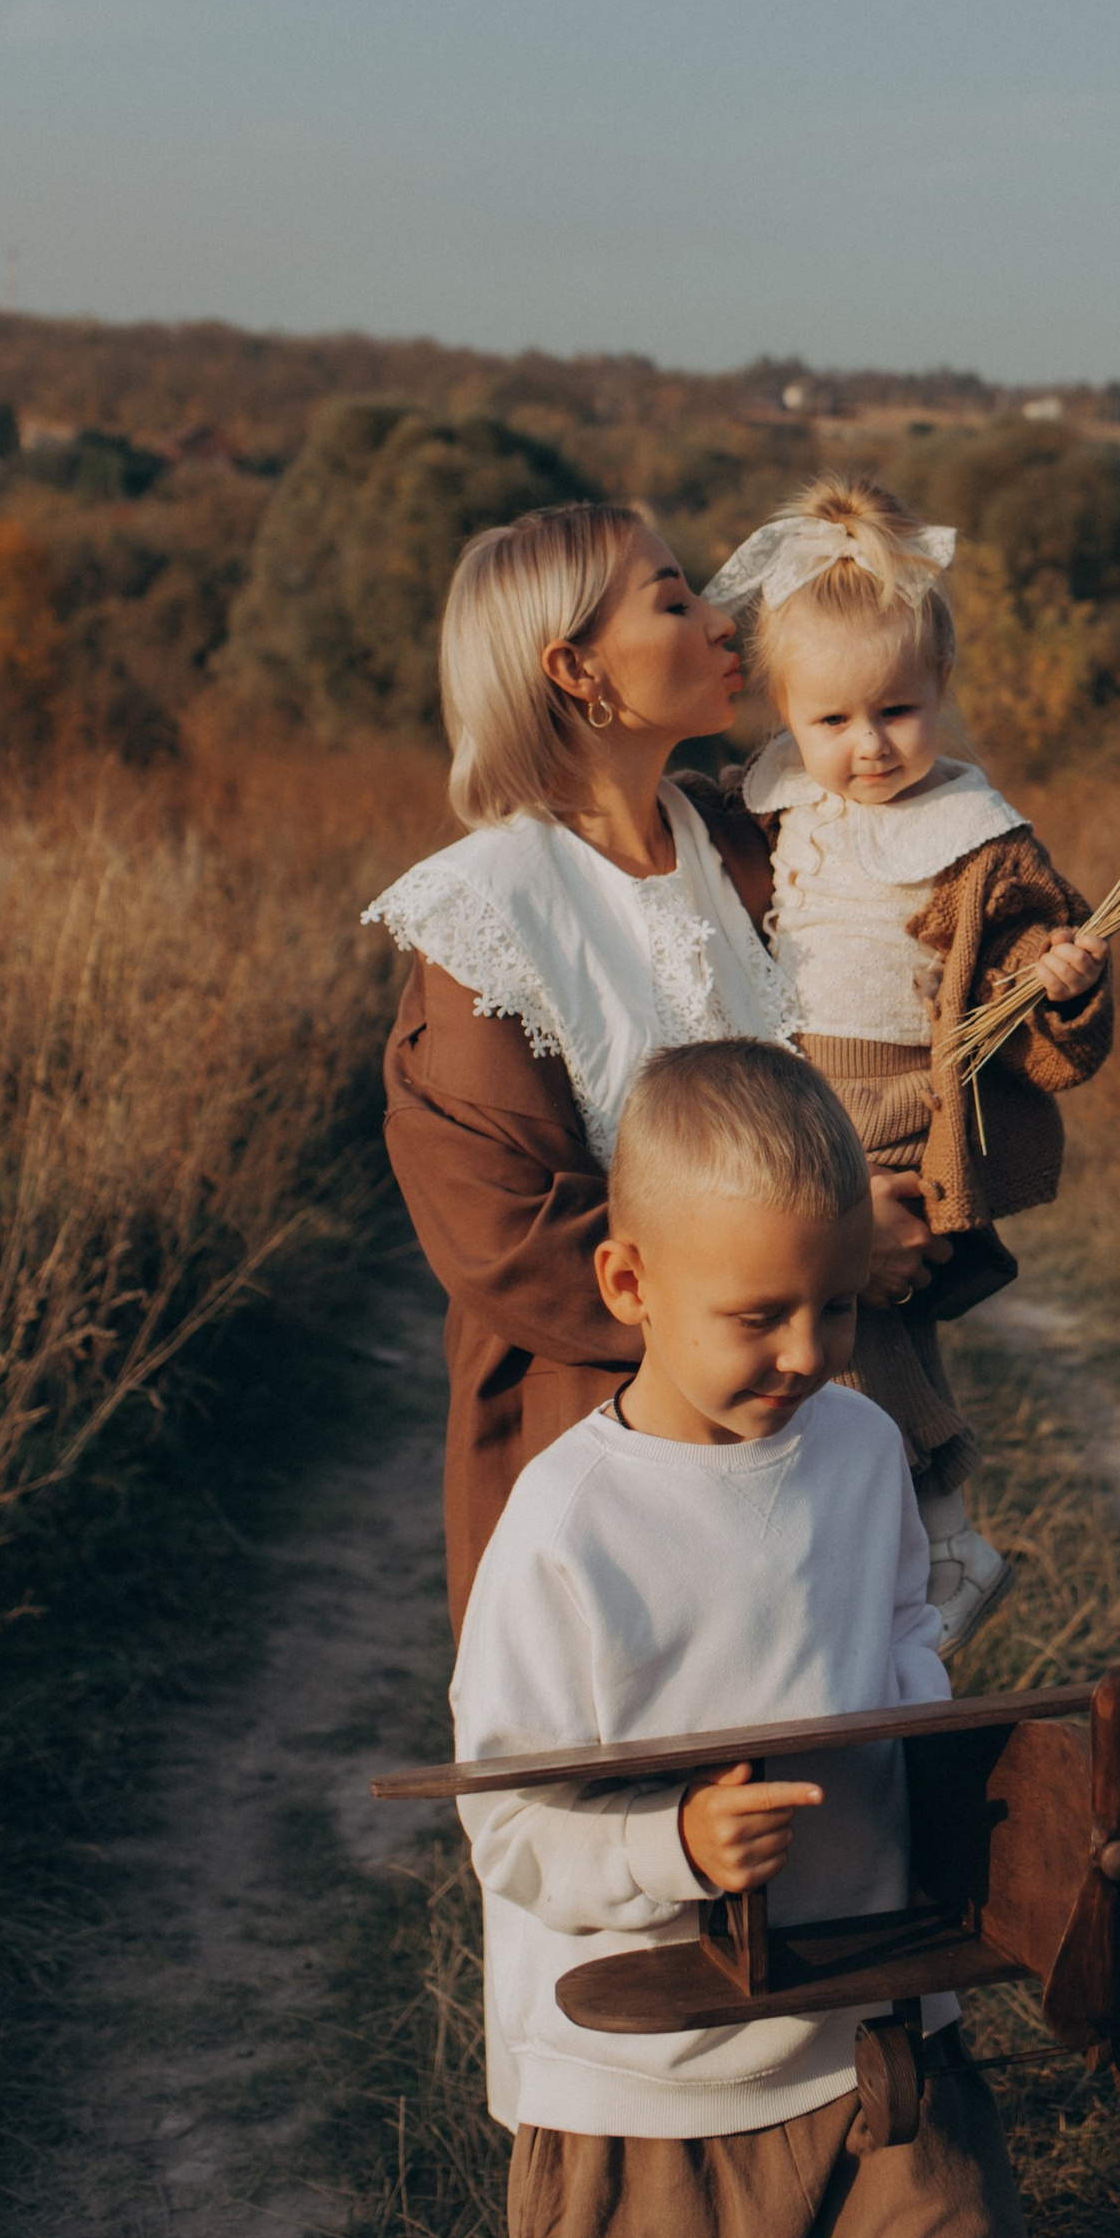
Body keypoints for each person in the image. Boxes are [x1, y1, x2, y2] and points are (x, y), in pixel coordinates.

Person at [456, 1038, 1066, 2238]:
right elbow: (510, 1829)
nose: (807, 1351)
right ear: (630, 1280)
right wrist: (671, 1847)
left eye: (839, 1305)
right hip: (654, 2110)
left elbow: (903, 1654)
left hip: (876, 2063)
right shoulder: (569, 1533)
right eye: (757, 1317)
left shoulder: (862, 1450)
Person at [365, 504, 947, 1626]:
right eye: (673, 599)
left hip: (821, 1437)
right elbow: (509, 1240)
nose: (719, 620)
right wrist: (829, 1244)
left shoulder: (755, 842)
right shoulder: (485, 915)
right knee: (664, 1780)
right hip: (611, 1471)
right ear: (576, 667)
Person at [708, 478, 1114, 1647]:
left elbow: (1033, 951)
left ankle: (937, 1532)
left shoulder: (975, 835)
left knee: (845, 1299)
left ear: (939, 692)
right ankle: (911, 1540)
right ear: (788, 713)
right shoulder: (776, 804)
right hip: (791, 1088)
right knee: (831, 1316)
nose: (868, 746)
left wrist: (1060, 983)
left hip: (903, 1095)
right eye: (831, 721)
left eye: (897, 711)